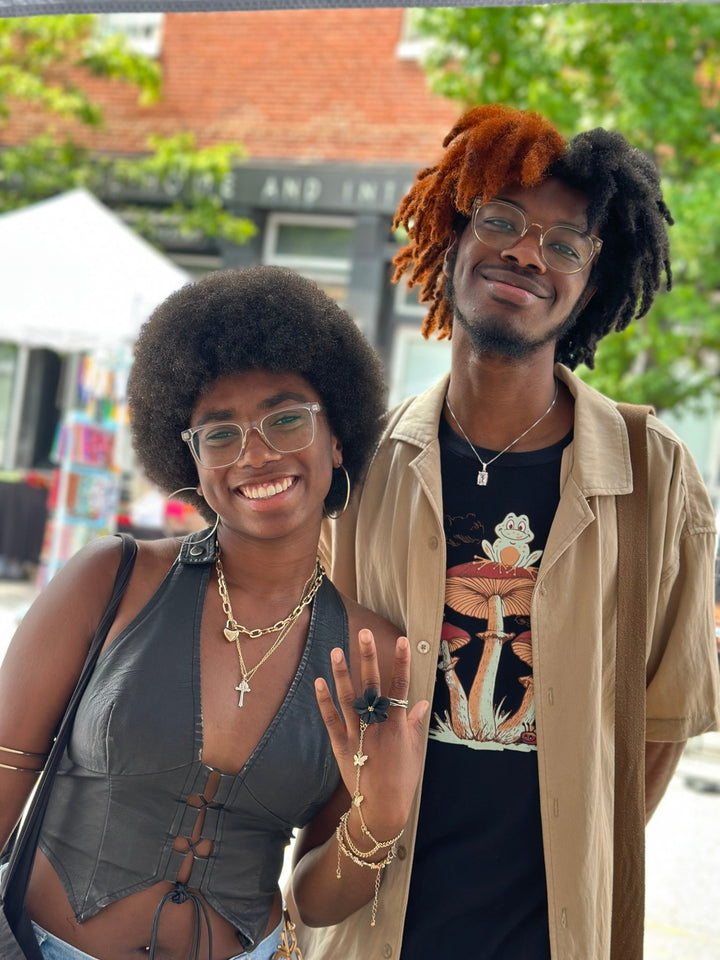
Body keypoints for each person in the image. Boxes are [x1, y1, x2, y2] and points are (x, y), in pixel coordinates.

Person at [293, 105, 720, 959]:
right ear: (452, 241)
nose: (528, 253)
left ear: (590, 285)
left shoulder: (654, 470)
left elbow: (665, 717)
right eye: (502, 221)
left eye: (565, 244)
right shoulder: (359, 462)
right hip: (370, 931)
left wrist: (574, 854)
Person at [0, 266, 427, 960]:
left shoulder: (372, 652)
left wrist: (379, 819)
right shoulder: (110, 581)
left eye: (286, 419)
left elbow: (314, 903)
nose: (255, 453)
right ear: (190, 460)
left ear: (337, 438)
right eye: (219, 433)